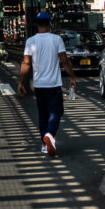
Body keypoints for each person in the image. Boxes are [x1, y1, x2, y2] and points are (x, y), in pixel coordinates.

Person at [17, 11, 78, 157]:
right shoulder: (56, 39)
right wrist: (73, 77)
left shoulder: (30, 41)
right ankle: (50, 135)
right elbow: (65, 60)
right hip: (54, 84)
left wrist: (20, 82)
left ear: (37, 25)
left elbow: (26, 63)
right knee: (56, 113)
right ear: (49, 23)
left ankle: (45, 145)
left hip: (39, 85)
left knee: (43, 115)